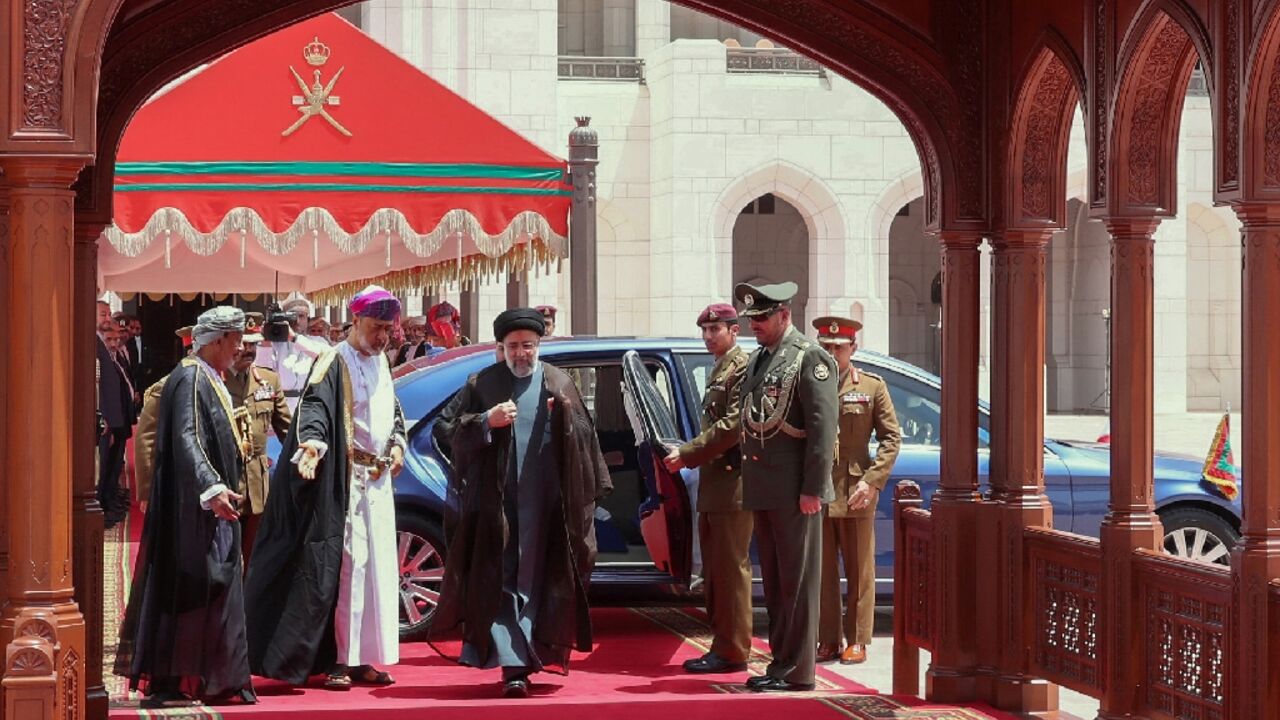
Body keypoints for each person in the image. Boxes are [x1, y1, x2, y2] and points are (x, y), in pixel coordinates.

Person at [429, 308, 612, 698]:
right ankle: (513, 667)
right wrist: (484, 422)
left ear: (538, 346)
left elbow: (587, 436)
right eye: (513, 346)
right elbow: (446, 430)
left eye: (528, 346)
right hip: (500, 506)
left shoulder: (559, 382)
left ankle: (536, 654)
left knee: (546, 578)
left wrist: (564, 416)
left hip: (549, 505)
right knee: (505, 578)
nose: (521, 353)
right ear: (502, 347)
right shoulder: (483, 383)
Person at [245, 285, 407, 690]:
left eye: (388, 329)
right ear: (356, 322)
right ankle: (341, 659)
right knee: (350, 567)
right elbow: (315, 406)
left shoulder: (382, 362)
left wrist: (399, 443)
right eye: (376, 328)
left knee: (378, 570)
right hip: (346, 480)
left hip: (379, 482)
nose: (382, 337)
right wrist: (312, 445)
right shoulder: (333, 362)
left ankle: (368, 658)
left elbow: (393, 410)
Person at [114, 306, 256, 708]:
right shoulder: (193, 377)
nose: (240, 348)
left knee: (206, 587)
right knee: (199, 588)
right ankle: (193, 679)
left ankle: (202, 677)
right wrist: (212, 488)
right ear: (216, 341)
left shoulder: (207, 376)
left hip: (203, 506)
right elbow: (188, 436)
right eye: (235, 340)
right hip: (196, 509)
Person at [735, 281, 838, 692]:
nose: (755, 325)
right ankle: (781, 664)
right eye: (752, 318)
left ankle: (798, 671)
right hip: (766, 486)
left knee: (797, 583)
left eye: (761, 317)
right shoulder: (762, 357)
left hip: (796, 490)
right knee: (776, 583)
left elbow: (822, 429)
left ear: (784, 315)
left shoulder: (810, 358)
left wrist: (813, 487)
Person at [663, 303, 753, 674]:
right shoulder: (721, 367)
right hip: (716, 483)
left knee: (730, 571)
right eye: (705, 330)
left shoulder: (743, 367)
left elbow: (733, 424)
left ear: (734, 331)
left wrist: (686, 454)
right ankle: (723, 644)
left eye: (715, 330)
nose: (708, 336)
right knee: (715, 570)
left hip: (733, 482)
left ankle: (732, 652)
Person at [811, 316, 900, 665]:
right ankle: (827, 638)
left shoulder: (872, 386)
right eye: (826, 347)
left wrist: (873, 480)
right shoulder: (810, 384)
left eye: (839, 347)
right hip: (817, 488)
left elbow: (891, 438)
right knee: (823, 571)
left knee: (860, 569)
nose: (833, 353)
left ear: (853, 348)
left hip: (855, 488)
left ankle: (858, 639)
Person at [223, 314, 292, 566]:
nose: (249, 350)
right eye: (244, 343)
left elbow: (288, 429)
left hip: (256, 486)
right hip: (225, 483)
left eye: (254, 344)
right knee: (223, 558)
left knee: (254, 556)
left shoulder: (268, 380)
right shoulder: (213, 379)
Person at [133, 325, 194, 513]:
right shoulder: (166, 386)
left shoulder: (220, 383)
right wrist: (147, 490)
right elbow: (147, 439)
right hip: (179, 479)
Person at [97, 301, 135, 528]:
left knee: (109, 466)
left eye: (108, 314)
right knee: (102, 468)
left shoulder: (104, 347)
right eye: (103, 314)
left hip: (113, 419)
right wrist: (106, 420)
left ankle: (106, 502)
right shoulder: (92, 343)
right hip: (104, 420)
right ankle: (102, 505)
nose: (107, 318)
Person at [255, 297, 329, 413]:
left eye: (301, 316)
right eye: (293, 316)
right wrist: (266, 341)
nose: (297, 321)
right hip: (281, 405)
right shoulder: (275, 344)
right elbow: (263, 371)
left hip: (309, 405)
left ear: (308, 320)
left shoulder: (318, 342)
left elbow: (326, 357)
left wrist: (295, 338)